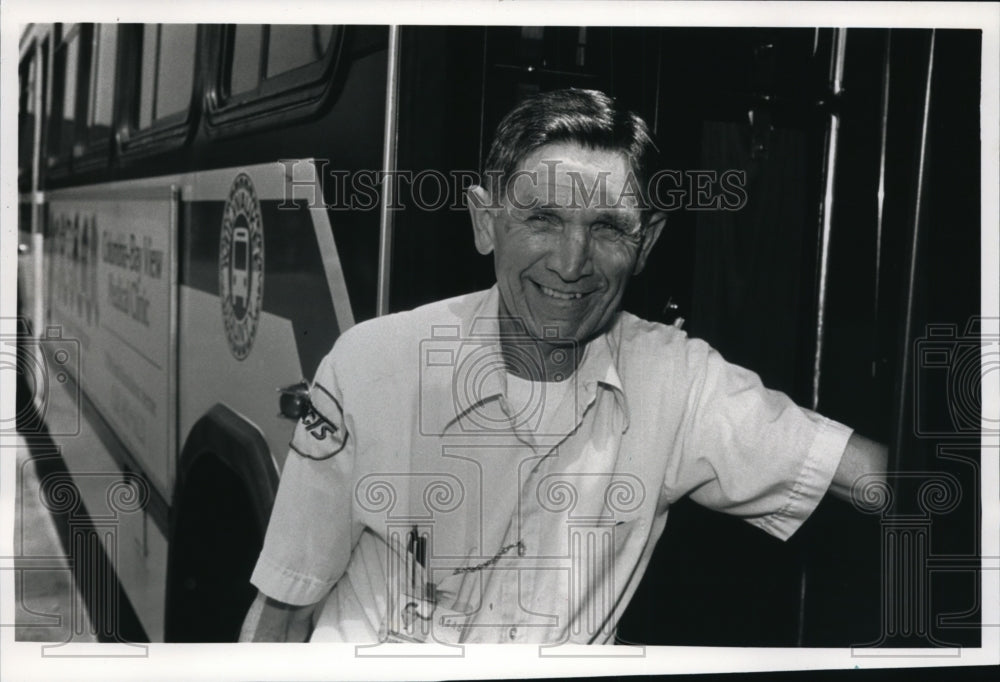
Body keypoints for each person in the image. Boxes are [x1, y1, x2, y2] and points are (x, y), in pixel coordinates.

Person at [239, 88, 887, 644]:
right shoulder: (373, 366)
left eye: (608, 228)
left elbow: (869, 474)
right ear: (485, 222)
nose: (572, 262)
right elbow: (285, 610)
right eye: (543, 219)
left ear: (646, 243)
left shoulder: (676, 381)